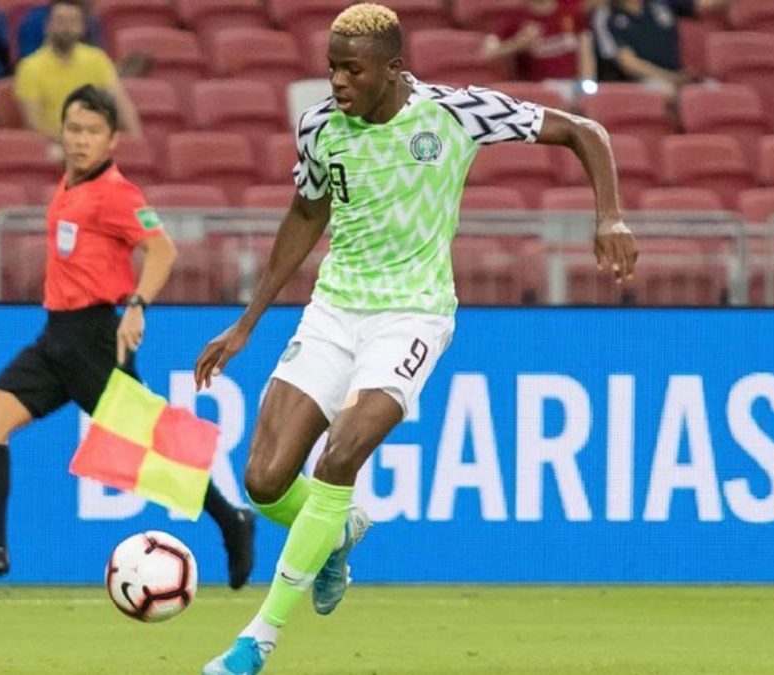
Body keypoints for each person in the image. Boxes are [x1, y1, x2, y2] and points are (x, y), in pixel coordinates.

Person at [193, 4, 635, 673]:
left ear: (394, 69)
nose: (337, 81)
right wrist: (247, 322)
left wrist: (610, 218)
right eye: (332, 67)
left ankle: (258, 639)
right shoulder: (320, 127)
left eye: (352, 70)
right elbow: (306, 213)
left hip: (412, 315)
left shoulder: (456, 113)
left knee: (339, 459)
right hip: (333, 311)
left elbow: (584, 130)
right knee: (263, 480)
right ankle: (337, 531)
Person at [0, 84, 255, 589]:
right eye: (74, 129)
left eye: (93, 132)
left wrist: (136, 307)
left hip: (94, 339)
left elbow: (162, 250)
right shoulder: (69, 183)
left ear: (113, 139)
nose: (81, 140)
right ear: (61, 132)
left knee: (149, 450)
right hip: (56, 336)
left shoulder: (117, 193)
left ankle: (232, 520)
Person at [13, 0, 141, 140]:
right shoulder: (29, 67)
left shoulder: (97, 59)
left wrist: (136, 141)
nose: (66, 27)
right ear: (48, 26)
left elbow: (123, 106)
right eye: (60, 21)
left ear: (82, 27)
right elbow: (33, 124)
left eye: (73, 22)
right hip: (54, 143)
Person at [601, 0, 731, 98]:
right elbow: (629, 63)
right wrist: (670, 77)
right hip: (645, 80)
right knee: (668, 94)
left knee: (717, 92)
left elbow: (705, 4)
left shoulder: (661, 3)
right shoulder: (609, 18)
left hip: (679, 75)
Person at [480, 0, 596, 83]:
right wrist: (517, 43)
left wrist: (586, 83)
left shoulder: (571, 11)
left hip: (573, 86)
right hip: (538, 91)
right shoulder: (516, 18)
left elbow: (586, 52)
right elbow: (487, 53)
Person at [16, 0, 103, 59]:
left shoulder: (90, 21)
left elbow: (94, 56)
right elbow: (29, 61)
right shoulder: (33, 21)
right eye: (60, 21)